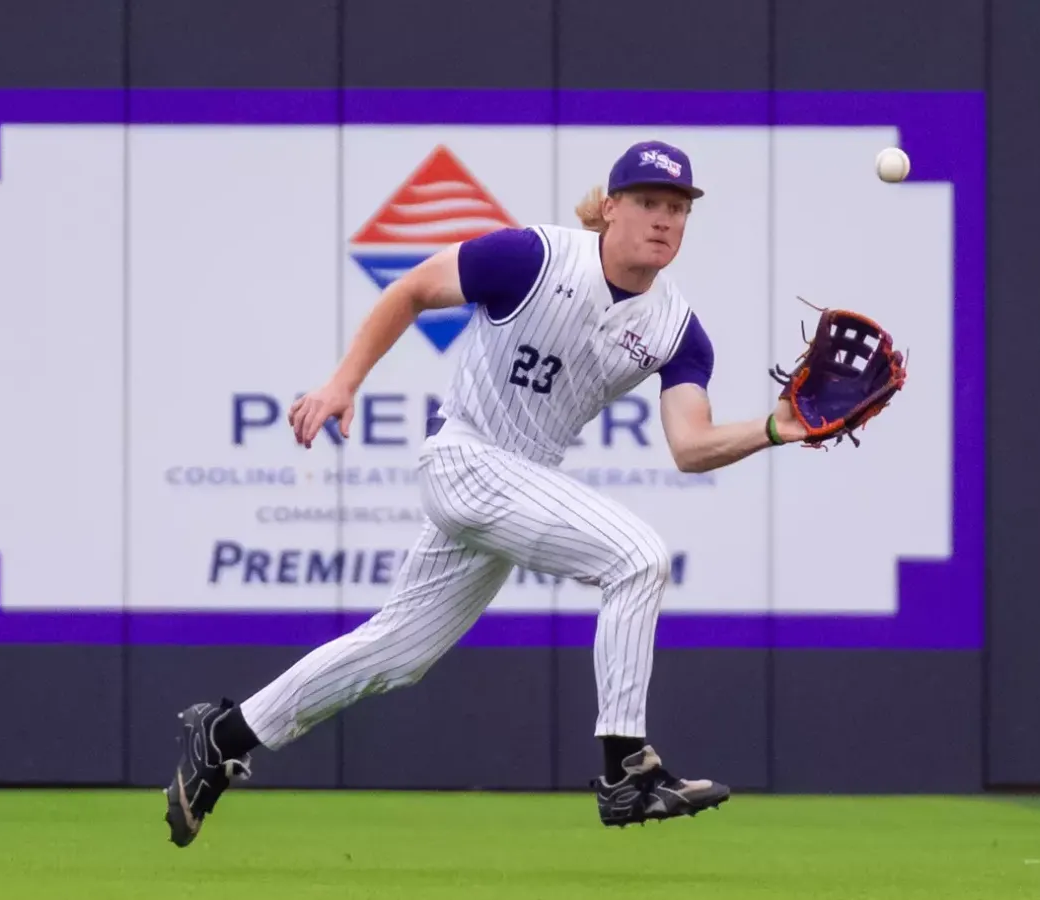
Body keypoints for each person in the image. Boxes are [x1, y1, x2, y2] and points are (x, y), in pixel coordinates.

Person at [163, 140, 811, 847]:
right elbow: (410, 290)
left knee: (397, 653)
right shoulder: (533, 257)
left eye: (678, 208)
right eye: (650, 203)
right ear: (611, 207)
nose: (664, 220)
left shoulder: (677, 330)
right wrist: (343, 381)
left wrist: (779, 427)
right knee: (638, 558)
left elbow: (692, 446)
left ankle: (224, 734)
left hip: (519, 480)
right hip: (467, 457)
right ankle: (627, 767)